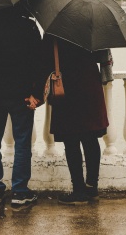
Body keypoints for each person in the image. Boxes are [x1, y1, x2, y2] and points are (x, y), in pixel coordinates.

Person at [0, 5, 43, 211]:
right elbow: (39, 61)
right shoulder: (28, 26)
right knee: (22, 143)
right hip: (21, 94)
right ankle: (20, 193)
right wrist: (36, 93)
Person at [41, 34, 109, 205]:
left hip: (65, 86)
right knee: (91, 138)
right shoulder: (90, 25)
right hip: (89, 84)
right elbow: (101, 56)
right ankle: (92, 188)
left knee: (71, 141)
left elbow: (45, 59)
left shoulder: (54, 30)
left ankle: (78, 190)